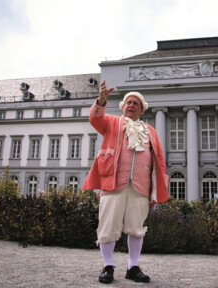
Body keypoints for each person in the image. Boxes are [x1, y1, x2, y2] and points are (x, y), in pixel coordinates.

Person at [82, 80, 168, 284]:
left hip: (140, 186)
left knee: (136, 227)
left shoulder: (150, 131)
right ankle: (108, 266)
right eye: (128, 102)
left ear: (142, 109)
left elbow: (159, 162)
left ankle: (133, 267)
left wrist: (156, 189)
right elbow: (95, 119)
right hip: (112, 183)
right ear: (122, 106)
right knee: (108, 225)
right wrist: (101, 101)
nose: (131, 105)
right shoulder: (112, 122)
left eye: (135, 103)